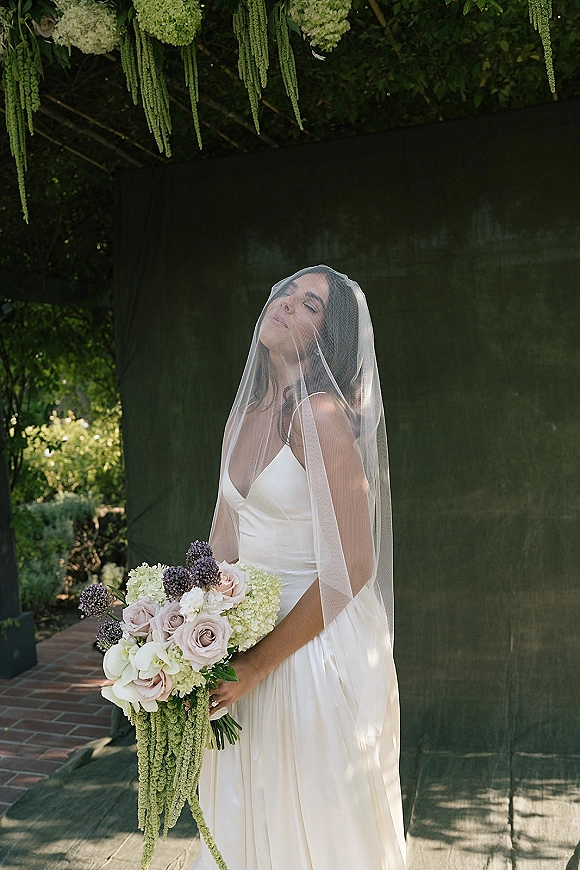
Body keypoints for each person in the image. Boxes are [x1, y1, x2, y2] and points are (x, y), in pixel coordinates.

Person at [193, 266, 406, 870]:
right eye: (287, 291)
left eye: (309, 304)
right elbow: (223, 544)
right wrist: (182, 634)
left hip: (315, 651)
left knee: (315, 829)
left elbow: (354, 567)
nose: (286, 303)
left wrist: (256, 666)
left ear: (326, 338)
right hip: (244, 643)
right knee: (247, 816)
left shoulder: (321, 417)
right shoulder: (246, 415)